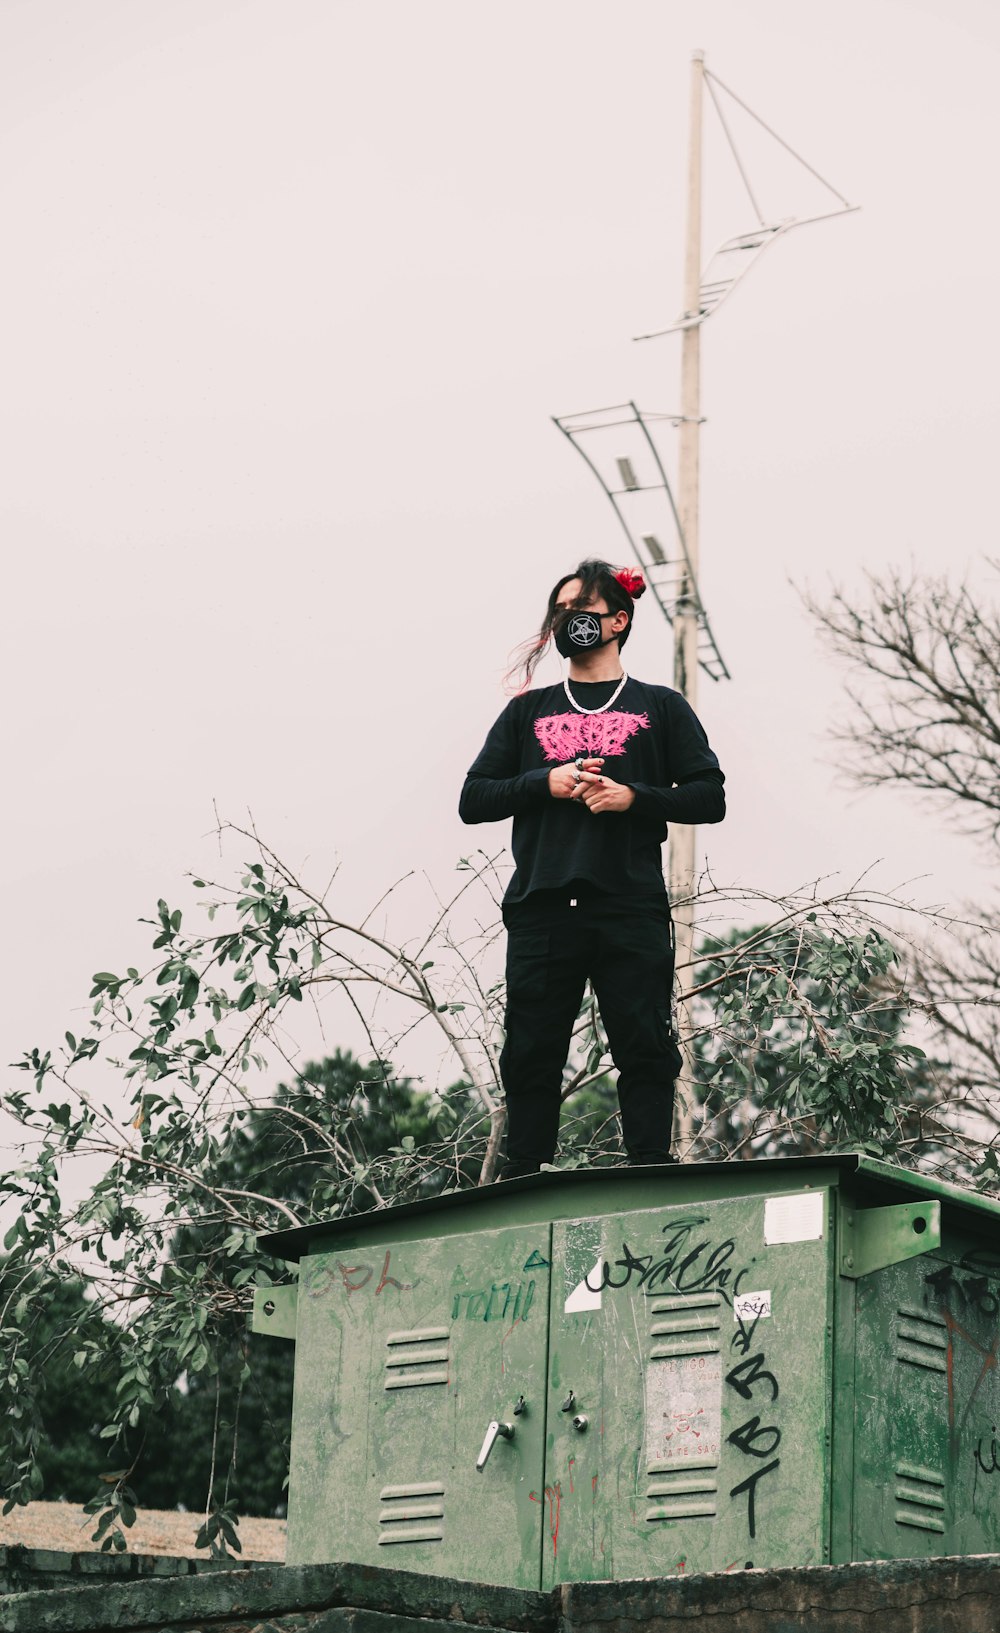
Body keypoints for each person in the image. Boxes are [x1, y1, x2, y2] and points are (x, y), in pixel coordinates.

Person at [459, 558, 726, 1177]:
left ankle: (648, 1176)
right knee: (530, 1054)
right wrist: (543, 782)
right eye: (560, 610)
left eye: (583, 608)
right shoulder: (528, 711)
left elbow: (709, 795)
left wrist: (635, 797)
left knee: (646, 1050)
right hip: (543, 907)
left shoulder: (661, 706)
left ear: (619, 620)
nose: (570, 620)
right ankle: (523, 1182)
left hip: (628, 907)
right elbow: (474, 798)